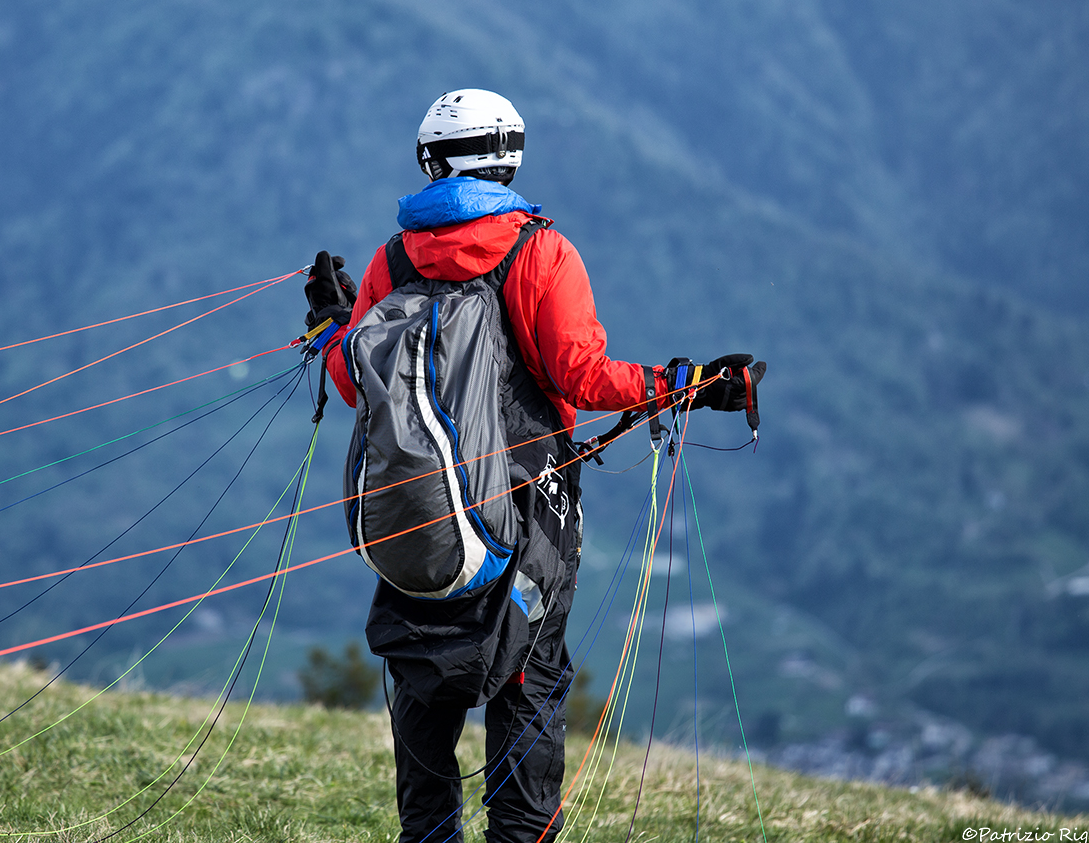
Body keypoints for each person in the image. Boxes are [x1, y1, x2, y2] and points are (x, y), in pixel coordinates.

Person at [303, 89, 762, 843]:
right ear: (510, 157)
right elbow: (581, 375)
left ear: (430, 161)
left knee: (421, 677)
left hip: (412, 510)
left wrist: (332, 327)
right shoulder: (540, 251)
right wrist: (686, 384)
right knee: (528, 674)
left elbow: (360, 386)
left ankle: (428, 835)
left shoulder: (392, 259)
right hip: (529, 505)